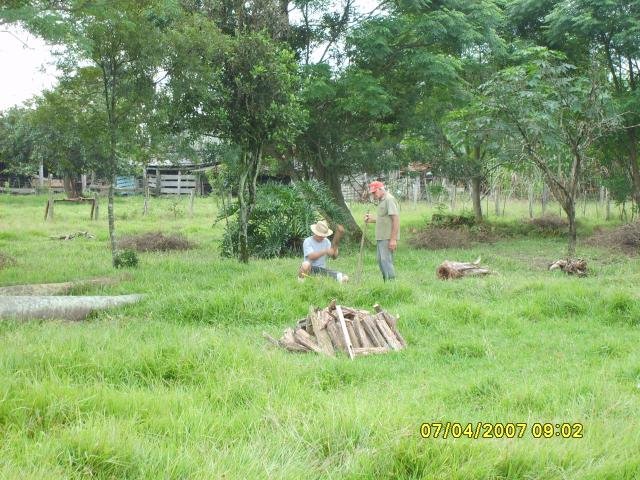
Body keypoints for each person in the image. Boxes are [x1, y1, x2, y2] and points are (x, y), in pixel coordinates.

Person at [364, 180, 399, 281]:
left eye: (374, 192)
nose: (373, 195)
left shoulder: (389, 200)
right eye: (372, 193)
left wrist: (393, 239)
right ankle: (386, 282)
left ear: (380, 189)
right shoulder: (382, 200)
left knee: (386, 260)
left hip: (387, 237)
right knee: (381, 261)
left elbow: (395, 220)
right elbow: (384, 219)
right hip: (380, 236)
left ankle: (392, 285)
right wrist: (372, 219)